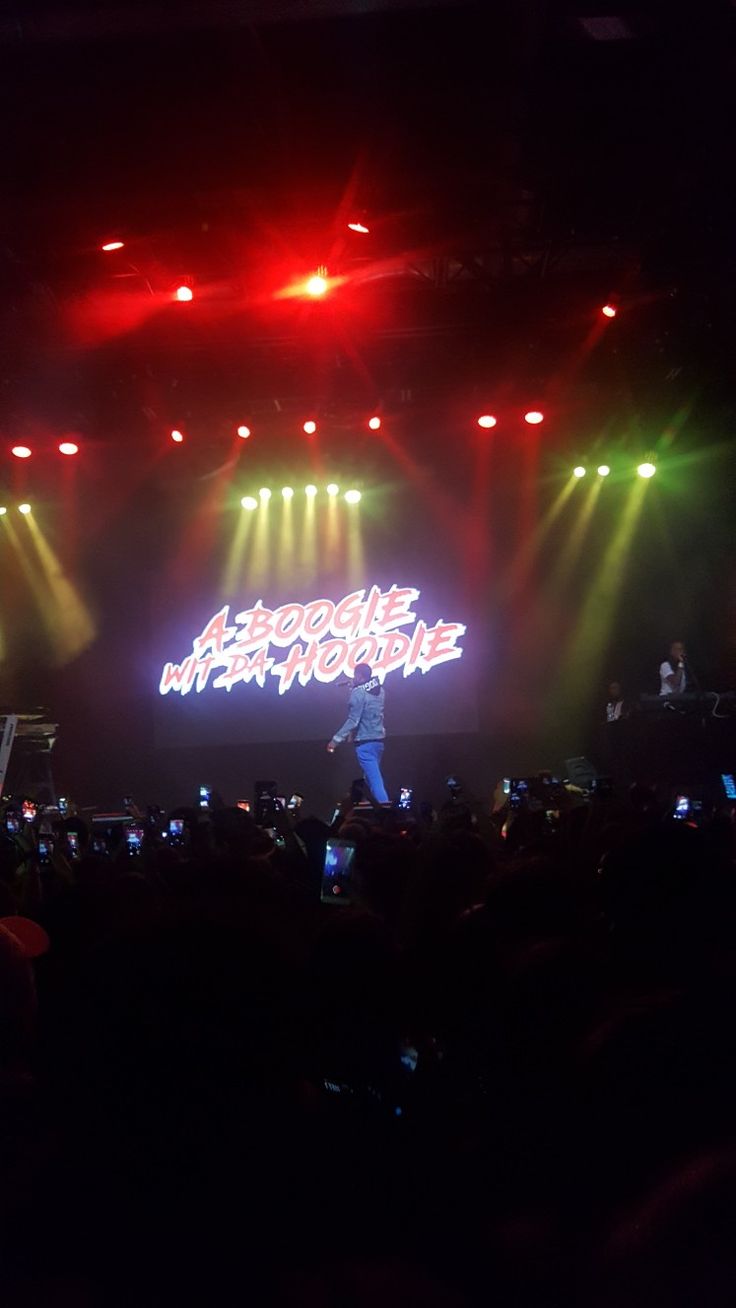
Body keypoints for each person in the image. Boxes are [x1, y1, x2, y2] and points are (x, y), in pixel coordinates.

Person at [326, 663, 389, 804]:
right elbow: (366, 706)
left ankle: (386, 809)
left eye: (355, 675)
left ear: (359, 676)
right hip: (378, 742)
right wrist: (355, 687)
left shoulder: (358, 692)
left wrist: (335, 741)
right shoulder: (381, 690)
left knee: (375, 781)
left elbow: (353, 719)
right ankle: (372, 807)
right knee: (369, 779)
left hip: (365, 743)